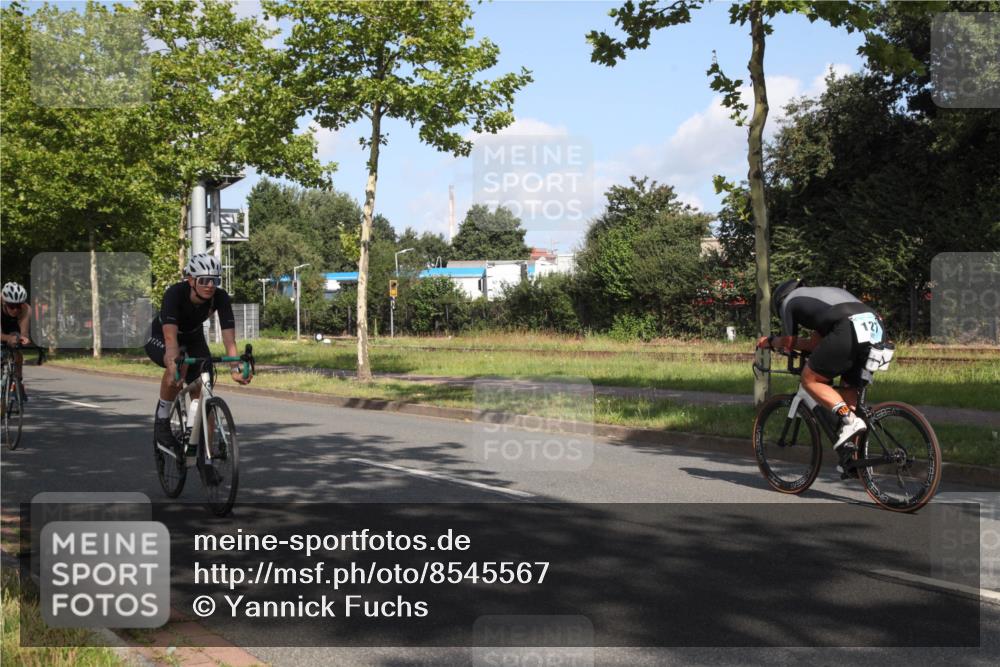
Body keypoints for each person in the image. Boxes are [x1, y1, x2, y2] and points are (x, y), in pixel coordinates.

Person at [145, 254, 252, 478]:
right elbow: (171, 341)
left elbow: (229, 339)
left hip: (193, 337)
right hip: (162, 336)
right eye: (204, 280)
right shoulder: (175, 294)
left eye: (215, 280)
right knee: (177, 365)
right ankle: (163, 420)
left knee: (204, 392)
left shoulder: (220, 298)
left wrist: (235, 367)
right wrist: (174, 364)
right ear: (191, 280)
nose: (210, 286)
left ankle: (206, 457)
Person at [757, 279, 887, 459]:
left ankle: (850, 421)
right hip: (875, 327)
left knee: (810, 379)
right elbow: (814, 344)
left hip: (847, 328)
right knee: (848, 394)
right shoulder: (822, 298)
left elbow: (789, 343)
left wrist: (770, 342)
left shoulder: (789, 301)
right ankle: (854, 460)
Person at [1, 282, 32, 403]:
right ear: (4, 302)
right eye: (11, 306)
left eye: (18, 306)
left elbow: (23, 331)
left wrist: (24, 338)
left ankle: (18, 381)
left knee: (17, 350)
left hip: (13, 326)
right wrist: (7, 338)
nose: (15, 309)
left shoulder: (25, 309)